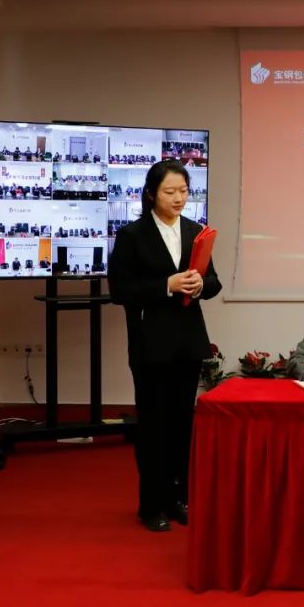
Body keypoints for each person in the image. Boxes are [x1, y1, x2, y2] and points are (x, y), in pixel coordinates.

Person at [108, 159, 221, 533]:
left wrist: (199, 285)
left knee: (182, 424)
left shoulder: (196, 231)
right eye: (170, 191)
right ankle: (151, 504)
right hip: (150, 344)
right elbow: (120, 290)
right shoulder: (132, 235)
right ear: (151, 194)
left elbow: (214, 282)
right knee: (154, 426)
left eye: (184, 191)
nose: (178, 198)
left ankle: (179, 498)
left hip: (188, 342)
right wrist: (165, 286)